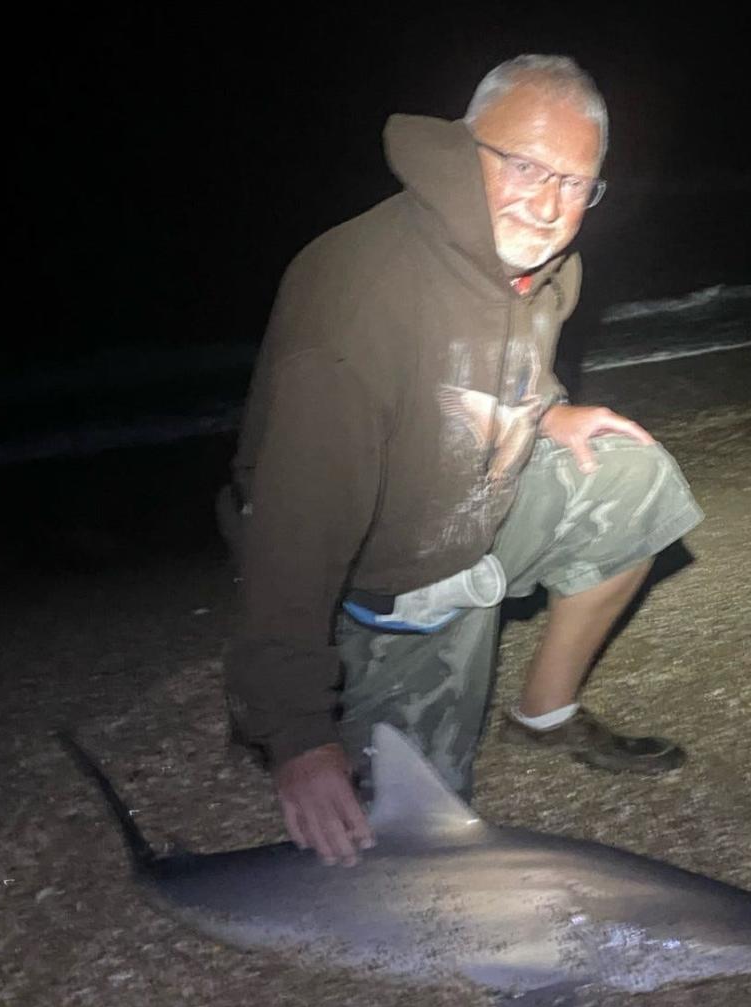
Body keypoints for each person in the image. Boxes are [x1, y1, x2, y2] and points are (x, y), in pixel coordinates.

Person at [222, 55, 703, 867]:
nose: (549, 205)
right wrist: (298, 735)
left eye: (576, 183)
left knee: (633, 477)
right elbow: (290, 536)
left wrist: (550, 410)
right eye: (524, 166)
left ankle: (544, 712)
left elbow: (491, 366)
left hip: (468, 513)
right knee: (419, 844)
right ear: (463, 148)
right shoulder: (360, 301)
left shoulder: (548, 266)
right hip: (370, 582)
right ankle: (301, 711)